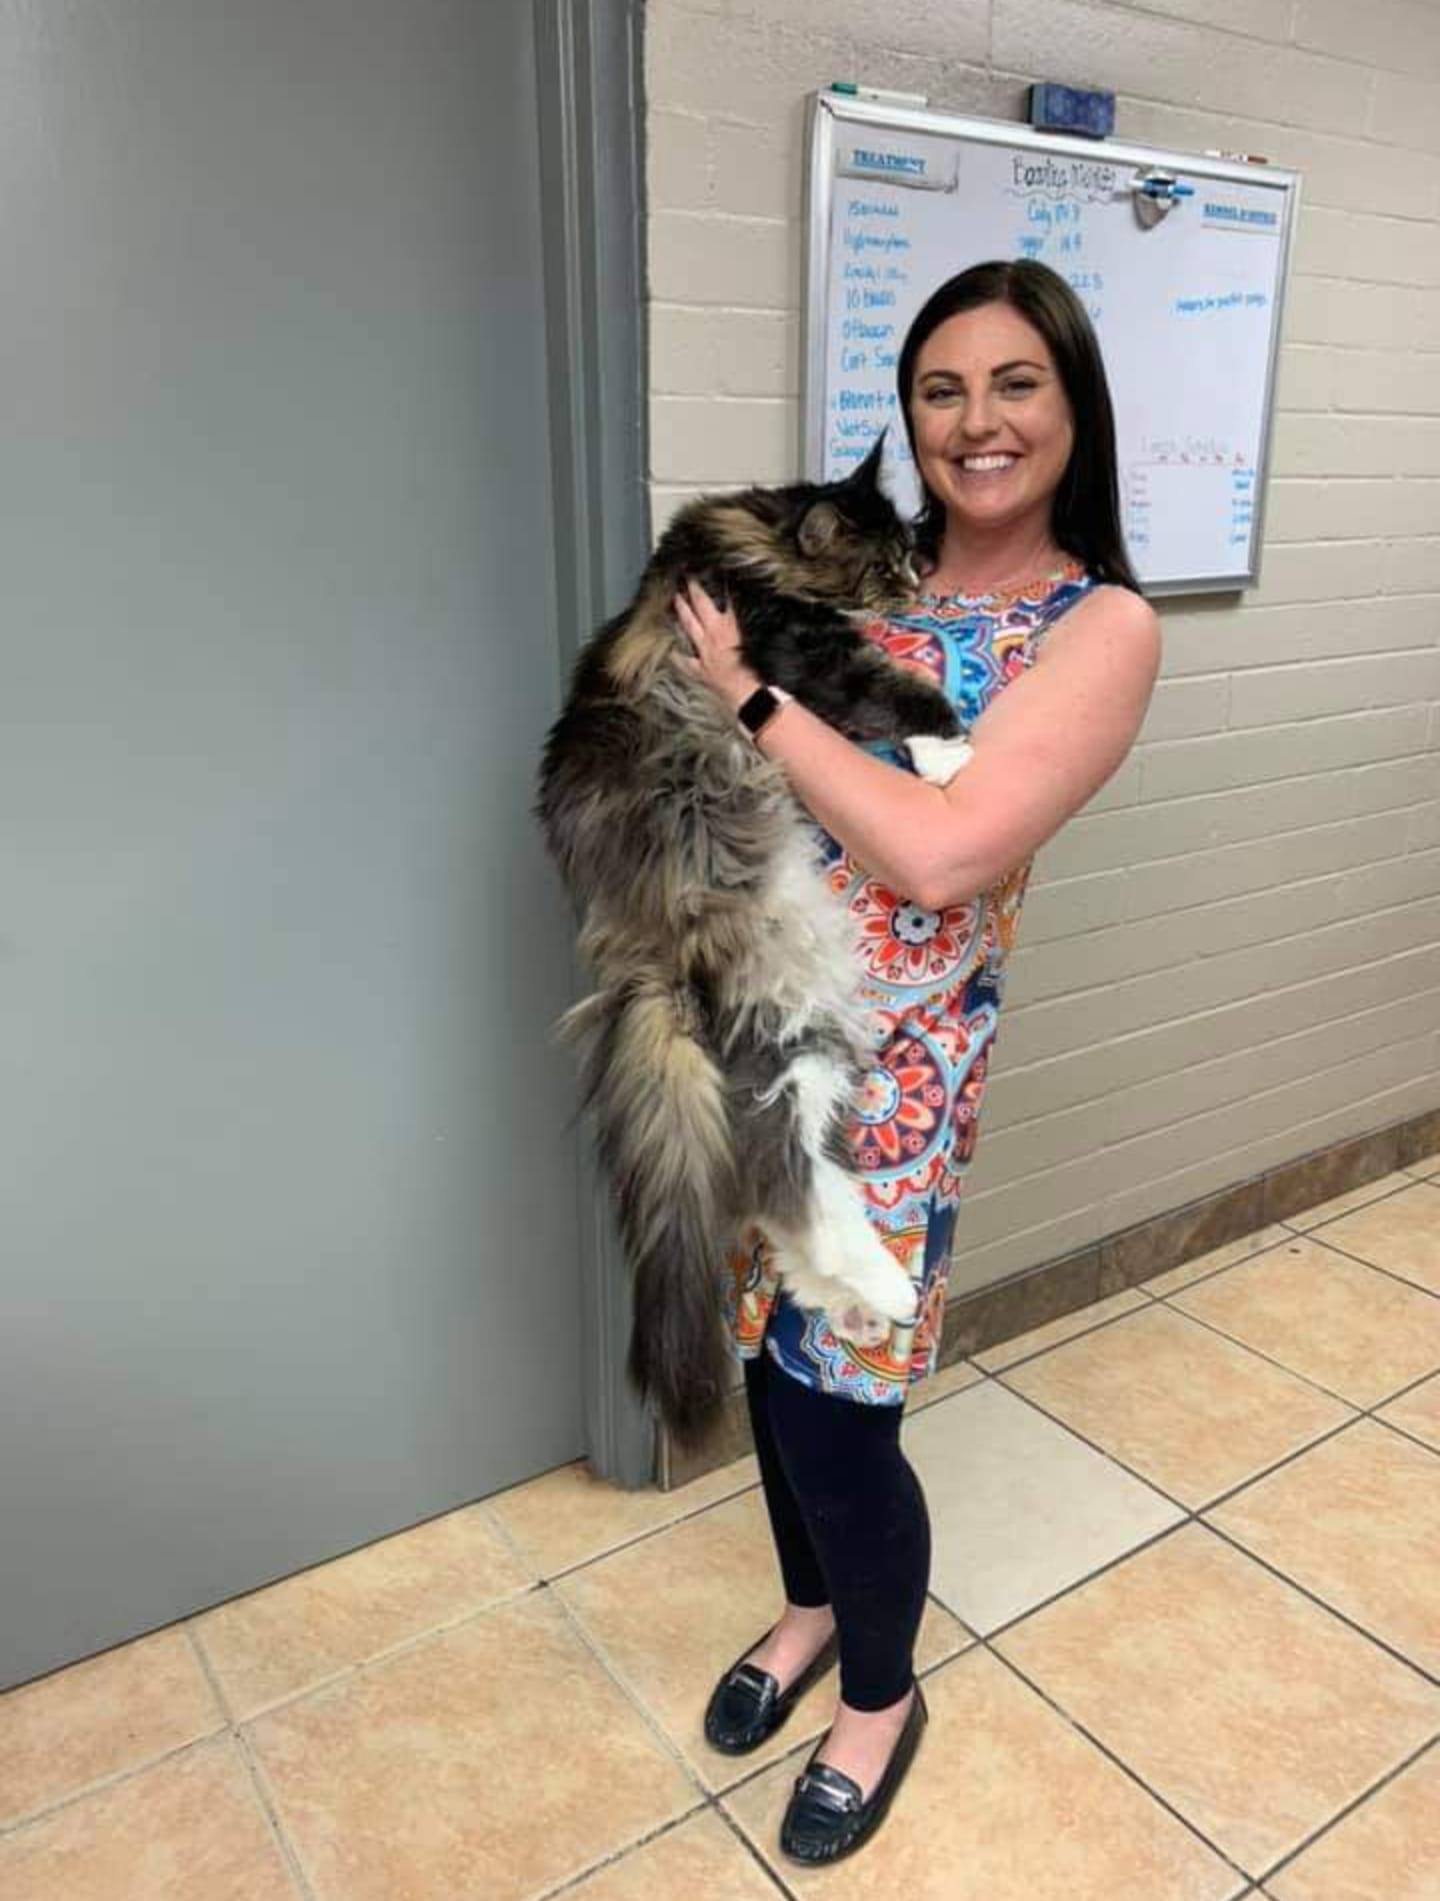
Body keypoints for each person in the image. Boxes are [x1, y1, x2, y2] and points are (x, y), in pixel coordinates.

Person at [672, 258, 1162, 1866]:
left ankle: (879, 1696)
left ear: (1075, 406)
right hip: (753, 1038)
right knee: (769, 1370)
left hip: (891, 1093)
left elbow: (945, 855)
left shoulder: (1096, 627)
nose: (976, 420)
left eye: (1016, 382)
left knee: (840, 1415)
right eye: (941, 390)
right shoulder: (865, 579)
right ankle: (810, 1610)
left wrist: (751, 695)